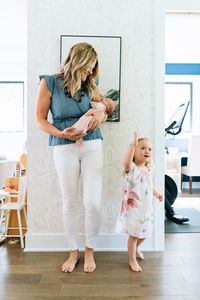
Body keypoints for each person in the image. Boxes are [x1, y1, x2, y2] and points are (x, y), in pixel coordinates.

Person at [35, 42, 115, 273]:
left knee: (93, 202)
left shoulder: (91, 84)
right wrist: (60, 133)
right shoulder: (49, 82)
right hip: (63, 145)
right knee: (69, 201)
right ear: (77, 60)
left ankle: (90, 249)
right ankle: (73, 251)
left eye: (93, 67)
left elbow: (102, 109)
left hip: (92, 143)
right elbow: (40, 119)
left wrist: (101, 116)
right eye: (88, 66)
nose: (90, 71)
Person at [115, 132, 163, 272]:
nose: (146, 151)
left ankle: (136, 249)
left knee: (146, 232)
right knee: (134, 235)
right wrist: (132, 145)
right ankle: (132, 259)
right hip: (134, 210)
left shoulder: (148, 169)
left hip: (146, 209)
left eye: (149, 149)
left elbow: (149, 184)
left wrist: (157, 193)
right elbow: (126, 162)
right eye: (142, 148)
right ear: (134, 152)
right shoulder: (132, 169)